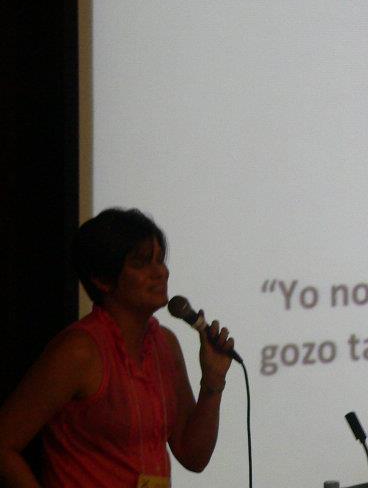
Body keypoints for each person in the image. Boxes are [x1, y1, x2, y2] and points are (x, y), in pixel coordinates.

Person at [0, 208, 235, 487]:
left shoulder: (166, 345)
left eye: (160, 260)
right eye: (142, 263)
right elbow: (4, 445)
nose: (160, 272)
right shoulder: (79, 350)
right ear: (102, 278)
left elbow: (193, 456)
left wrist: (212, 383)